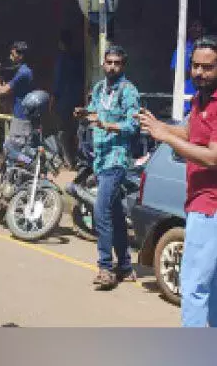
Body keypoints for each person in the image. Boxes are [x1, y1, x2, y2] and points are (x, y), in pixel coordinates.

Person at [138, 37, 217, 327]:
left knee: (194, 286)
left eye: (207, 67)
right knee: (210, 286)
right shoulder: (200, 99)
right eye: (195, 65)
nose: (199, 72)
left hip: (210, 207)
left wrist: (166, 137)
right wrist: (163, 128)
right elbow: (194, 135)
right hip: (200, 202)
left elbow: (211, 157)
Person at [75, 45, 140, 290]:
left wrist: (105, 124)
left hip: (117, 159)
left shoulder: (128, 91)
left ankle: (105, 267)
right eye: (108, 62)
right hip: (100, 158)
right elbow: (93, 111)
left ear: (123, 66)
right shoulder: (99, 88)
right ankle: (124, 265)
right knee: (114, 214)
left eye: (117, 63)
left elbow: (133, 125)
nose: (112, 66)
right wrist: (84, 113)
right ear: (103, 63)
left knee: (100, 211)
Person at [0, 41, 34, 149]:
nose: (10, 57)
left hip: (21, 116)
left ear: (20, 56)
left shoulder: (23, 73)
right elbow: (7, 87)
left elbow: (2, 91)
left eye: (13, 55)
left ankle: (29, 163)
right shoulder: (24, 70)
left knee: (12, 149)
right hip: (22, 115)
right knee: (18, 148)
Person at [53, 30, 85, 168]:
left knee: (63, 131)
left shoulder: (62, 58)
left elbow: (58, 80)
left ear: (61, 43)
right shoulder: (77, 58)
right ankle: (76, 158)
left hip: (64, 100)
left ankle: (68, 160)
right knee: (75, 130)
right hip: (76, 99)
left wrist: (54, 97)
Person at [171, 20, 204, 116]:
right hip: (187, 99)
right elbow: (175, 72)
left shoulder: (209, 48)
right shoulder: (183, 49)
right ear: (188, 29)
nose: (197, 29)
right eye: (194, 26)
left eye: (199, 27)